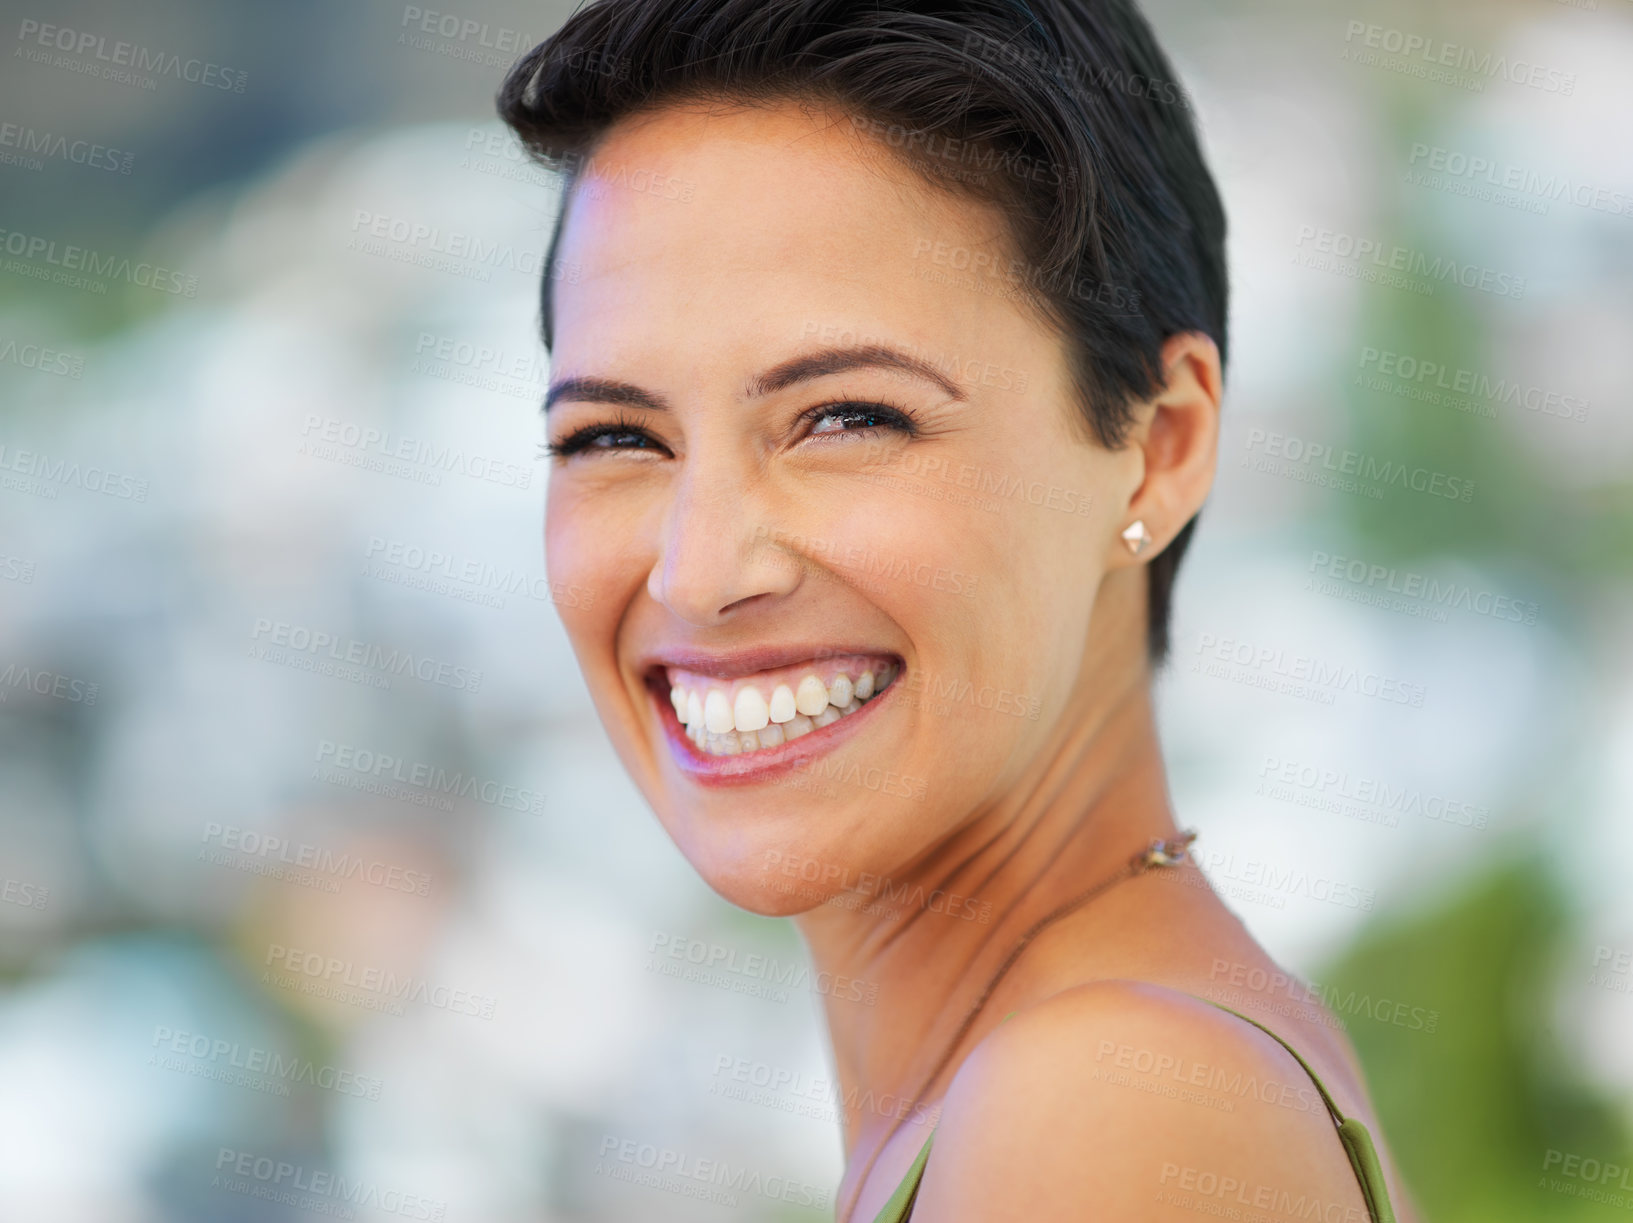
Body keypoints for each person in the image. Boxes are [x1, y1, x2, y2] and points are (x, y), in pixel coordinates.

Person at [498, 1, 1418, 1218]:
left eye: (847, 417)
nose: (698, 570)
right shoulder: (1081, 1066)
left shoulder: (1104, 1109)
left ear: (1159, 447)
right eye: (615, 435)